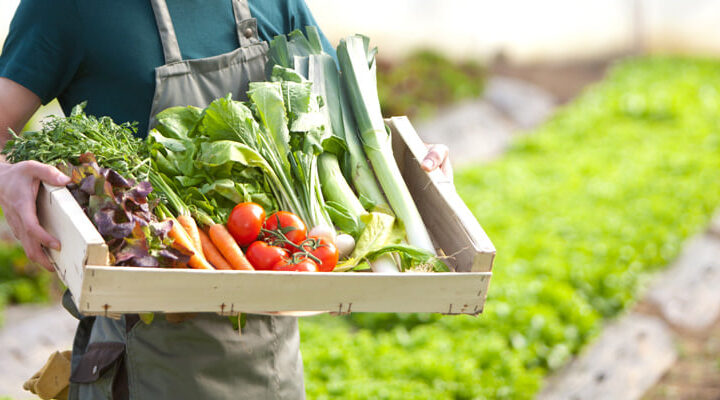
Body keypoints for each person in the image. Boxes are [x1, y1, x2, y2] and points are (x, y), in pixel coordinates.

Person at [0, 0, 451, 398]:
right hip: (143, 354)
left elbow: (337, 124)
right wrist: (7, 176)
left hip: (271, 351)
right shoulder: (66, 7)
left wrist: (415, 163)